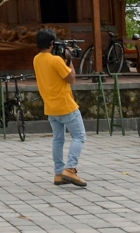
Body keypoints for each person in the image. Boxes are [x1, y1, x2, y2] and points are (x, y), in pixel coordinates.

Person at [34, 28, 86, 188]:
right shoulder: (56, 61)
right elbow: (71, 79)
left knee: (58, 139)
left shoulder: (36, 59)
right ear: (51, 43)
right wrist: (69, 59)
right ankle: (70, 169)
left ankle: (58, 173)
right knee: (79, 136)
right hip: (66, 105)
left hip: (50, 106)